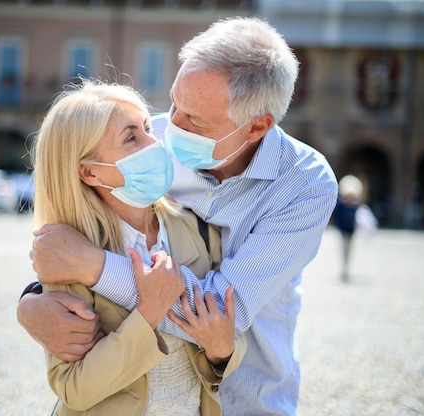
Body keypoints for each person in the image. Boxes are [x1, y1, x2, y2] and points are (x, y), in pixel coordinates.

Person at [19, 17, 338, 416]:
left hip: (250, 399)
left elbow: (219, 312)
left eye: (195, 120)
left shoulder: (305, 185)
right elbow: (86, 224)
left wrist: (96, 267)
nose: (171, 128)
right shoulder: (149, 145)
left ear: (256, 126)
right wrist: (32, 301)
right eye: (174, 103)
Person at [28, 79, 246, 415]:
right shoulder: (68, 257)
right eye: (132, 137)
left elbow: (231, 328)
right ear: (89, 172)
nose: (155, 142)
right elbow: (74, 389)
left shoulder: (198, 229)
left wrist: (223, 351)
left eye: (147, 127)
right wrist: (147, 316)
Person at [333, 175, 377, 281]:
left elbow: (361, 218)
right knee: (345, 247)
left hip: (351, 230)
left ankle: (346, 264)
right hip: (343, 230)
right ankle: (344, 264)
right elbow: (336, 216)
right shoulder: (341, 206)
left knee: (349, 248)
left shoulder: (356, 206)